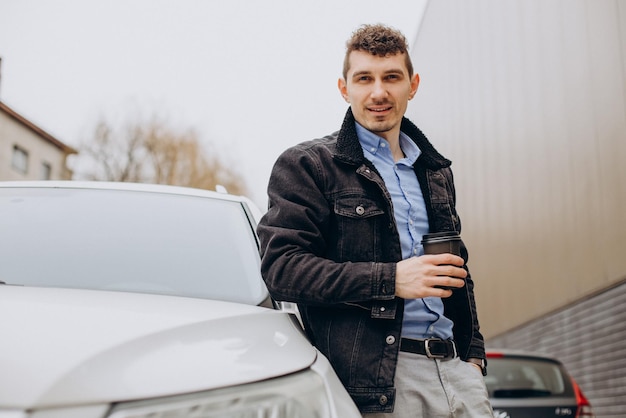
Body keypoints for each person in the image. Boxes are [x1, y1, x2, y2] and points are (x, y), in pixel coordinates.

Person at [257, 24, 492, 417]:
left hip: (457, 374)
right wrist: (391, 280)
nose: (379, 92)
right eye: (364, 78)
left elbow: (458, 272)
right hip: (379, 383)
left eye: (392, 78)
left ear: (412, 85)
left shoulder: (434, 171)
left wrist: (473, 356)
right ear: (343, 88)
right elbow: (282, 269)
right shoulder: (308, 166)